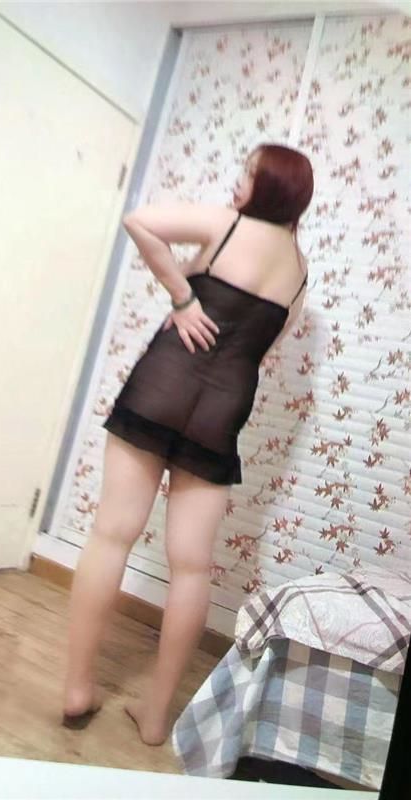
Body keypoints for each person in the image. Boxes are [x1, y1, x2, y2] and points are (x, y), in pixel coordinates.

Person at [61, 142, 314, 745]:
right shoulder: (300, 272)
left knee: (111, 534)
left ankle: (77, 688)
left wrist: (183, 297)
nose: (237, 183)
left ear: (270, 187)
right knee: (193, 566)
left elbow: (140, 220)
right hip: (222, 408)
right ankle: (156, 717)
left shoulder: (227, 225)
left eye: (247, 174)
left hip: (164, 383)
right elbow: (266, 348)